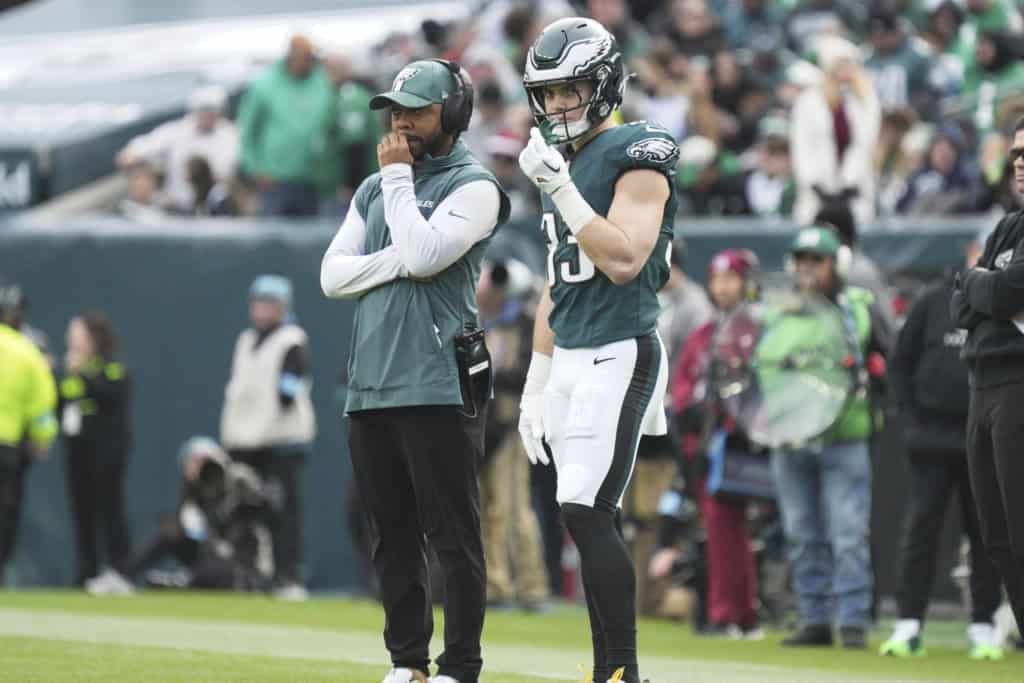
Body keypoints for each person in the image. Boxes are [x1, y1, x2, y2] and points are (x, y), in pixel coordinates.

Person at [320, 58, 510, 683]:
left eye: (417, 110)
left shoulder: (475, 186)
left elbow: (427, 256)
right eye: (396, 110)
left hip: (438, 377)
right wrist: (399, 258)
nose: (400, 122)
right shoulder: (374, 188)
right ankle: (408, 663)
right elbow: (332, 276)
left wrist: (399, 188)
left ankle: (460, 666)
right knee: (391, 535)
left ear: (452, 114)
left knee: (453, 535)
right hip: (371, 382)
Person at [516, 17, 680, 683]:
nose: (557, 105)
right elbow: (560, 282)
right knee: (577, 514)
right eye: (547, 93)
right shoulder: (568, 161)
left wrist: (558, 187)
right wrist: (535, 375)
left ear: (606, 82)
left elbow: (623, 258)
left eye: (570, 89)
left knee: (587, 507)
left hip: (623, 346)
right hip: (574, 352)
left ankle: (623, 671)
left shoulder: (640, 147)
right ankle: (607, 667)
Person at [882, 228, 1004, 660]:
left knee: (989, 535)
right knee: (921, 532)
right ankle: (908, 624)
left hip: (985, 441)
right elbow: (901, 364)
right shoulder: (934, 300)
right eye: (981, 250)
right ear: (970, 253)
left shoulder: (1006, 306)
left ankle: (983, 626)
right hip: (931, 441)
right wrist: (913, 422)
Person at [771, 226, 892, 649]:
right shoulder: (778, 313)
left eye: (816, 260)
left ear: (836, 265)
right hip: (791, 439)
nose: (807, 268)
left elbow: (887, 356)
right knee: (802, 534)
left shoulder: (858, 308)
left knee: (847, 533)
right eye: (801, 260)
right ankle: (815, 618)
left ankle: (854, 619)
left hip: (845, 435)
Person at [663, 249, 763, 639]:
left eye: (731, 279)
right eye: (716, 279)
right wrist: (688, 408)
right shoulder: (703, 334)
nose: (722, 287)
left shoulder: (754, 330)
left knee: (732, 531)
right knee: (720, 530)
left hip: (739, 442)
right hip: (703, 444)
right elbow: (684, 382)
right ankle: (732, 612)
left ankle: (731, 613)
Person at [951, 117, 1024, 642]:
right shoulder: (1006, 226)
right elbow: (962, 307)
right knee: (995, 536)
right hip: (982, 384)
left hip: (1018, 381)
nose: (1019, 161)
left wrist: (981, 283)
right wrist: (985, 285)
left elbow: (999, 297)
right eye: (1016, 152)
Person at [220, 275, 314, 601]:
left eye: (268, 304)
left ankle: (289, 576)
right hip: (245, 443)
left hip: (281, 441)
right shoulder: (245, 340)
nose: (260, 310)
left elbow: (288, 394)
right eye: (257, 303)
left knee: (283, 511)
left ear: (282, 308)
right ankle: (252, 574)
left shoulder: (292, 341)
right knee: (247, 512)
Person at [88, 436, 275, 595]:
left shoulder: (239, 479)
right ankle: (122, 576)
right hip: (213, 554)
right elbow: (196, 532)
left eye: (205, 460)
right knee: (170, 532)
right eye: (194, 462)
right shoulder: (196, 491)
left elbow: (267, 512)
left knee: (219, 567)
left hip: (244, 564)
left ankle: (182, 582)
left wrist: (252, 495)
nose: (202, 467)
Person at [476, 259, 549, 613]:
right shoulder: (476, 323)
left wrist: (487, 373)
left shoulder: (524, 323)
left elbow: (530, 373)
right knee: (486, 509)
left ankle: (531, 587)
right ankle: (495, 584)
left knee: (513, 508)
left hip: (512, 425)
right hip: (478, 426)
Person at [59, 312, 133, 589]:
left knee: (110, 508)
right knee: (83, 511)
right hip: (78, 452)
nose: (71, 340)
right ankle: (87, 571)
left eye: (76, 334)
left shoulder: (112, 367)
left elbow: (111, 396)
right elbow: (63, 406)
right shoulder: (69, 370)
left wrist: (82, 374)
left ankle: (120, 569)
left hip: (108, 450)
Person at [237, 35, 335, 217]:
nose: (311, 62)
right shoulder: (264, 85)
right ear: (292, 55)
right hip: (274, 180)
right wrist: (254, 169)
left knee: (312, 239)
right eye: (307, 57)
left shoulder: (323, 82)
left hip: (313, 179)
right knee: (273, 238)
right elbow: (247, 131)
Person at [790, 34, 881, 226]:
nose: (846, 69)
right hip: (817, 193)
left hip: (854, 192)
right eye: (841, 64)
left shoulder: (865, 99)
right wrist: (816, 184)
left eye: (849, 63)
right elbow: (802, 146)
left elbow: (866, 145)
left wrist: (849, 184)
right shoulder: (809, 100)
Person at [116, 84, 238, 213]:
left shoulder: (232, 136)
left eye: (213, 111)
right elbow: (136, 150)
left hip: (215, 207)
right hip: (176, 206)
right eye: (204, 110)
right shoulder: (176, 131)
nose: (208, 115)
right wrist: (134, 162)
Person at [0, 304, 57, 582]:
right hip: (8, 447)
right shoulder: (27, 353)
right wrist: (42, 439)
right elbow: (43, 404)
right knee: (5, 512)